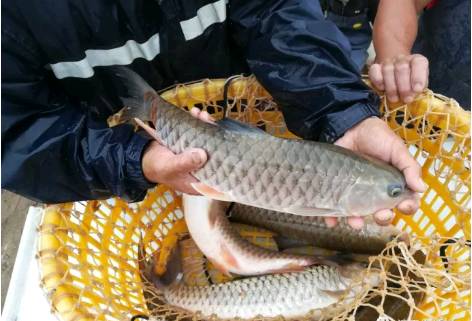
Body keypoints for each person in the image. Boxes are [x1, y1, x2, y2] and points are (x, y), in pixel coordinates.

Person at [2, 0, 425, 229]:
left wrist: (344, 111)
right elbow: (18, 135)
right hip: (108, 171)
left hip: (240, 124)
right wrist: (133, 159)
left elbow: (276, 12)